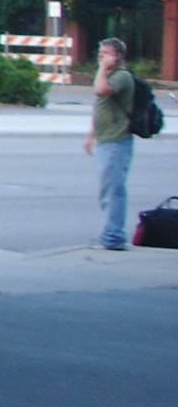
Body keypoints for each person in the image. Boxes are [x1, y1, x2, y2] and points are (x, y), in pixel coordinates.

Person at [83, 36, 136, 250]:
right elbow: (102, 108)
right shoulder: (110, 75)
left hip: (117, 140)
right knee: (107, 188)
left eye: (105, 54)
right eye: (100, 53)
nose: (100, 57)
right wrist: (91, 135)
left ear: (117, 56)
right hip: (105, 139)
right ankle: (111, 233)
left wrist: (102, 69)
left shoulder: (121, 76)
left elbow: (100, 91)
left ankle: (114, 236)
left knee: (113, 189)